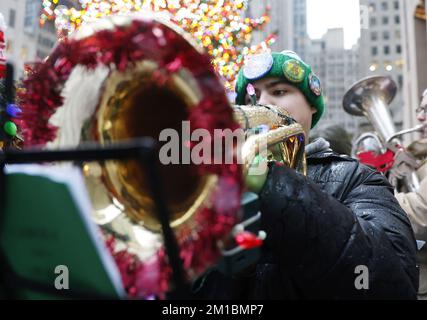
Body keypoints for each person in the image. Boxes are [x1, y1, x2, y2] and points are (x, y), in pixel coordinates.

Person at [192, 50, 418, 299]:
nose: (264, 103)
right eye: (252, 97)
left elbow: (390, 282)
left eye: (279, 92)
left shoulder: (356, 178)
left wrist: (274, 185)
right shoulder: (215, 185)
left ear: (312, 105)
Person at [395, 88, 427, 299]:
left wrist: (375, 191)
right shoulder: (419, 152)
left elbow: (421, 214)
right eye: (420, 108)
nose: (419, 117)